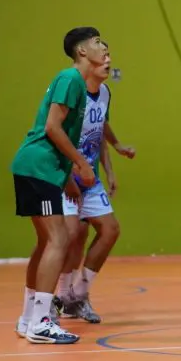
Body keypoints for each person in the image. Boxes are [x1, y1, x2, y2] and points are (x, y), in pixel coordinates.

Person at [12, 27, 105, 345]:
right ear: (82, 51)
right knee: (59, 239)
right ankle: (41, 321)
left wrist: (66, 178)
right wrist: (81, 164)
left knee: (45, 243)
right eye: (97, 42)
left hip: (42, 169)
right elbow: (52, 127)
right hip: (38, 165)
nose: (104, 47)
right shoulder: (71, 79)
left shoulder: (76, 82)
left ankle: (28, 318)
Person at [56, 41, 136, 325]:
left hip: (90, 177)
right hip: (66, 174)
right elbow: (54, 131)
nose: (108, 59)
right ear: (85, 56)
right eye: (103, 53)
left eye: (109, 54)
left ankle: (77, 295)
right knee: (70, 236)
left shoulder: (104, 92)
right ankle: (55, 297)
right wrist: (67, 175)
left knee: (110, 230)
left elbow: (99, 127)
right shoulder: (71, 89)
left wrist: (113, 157)